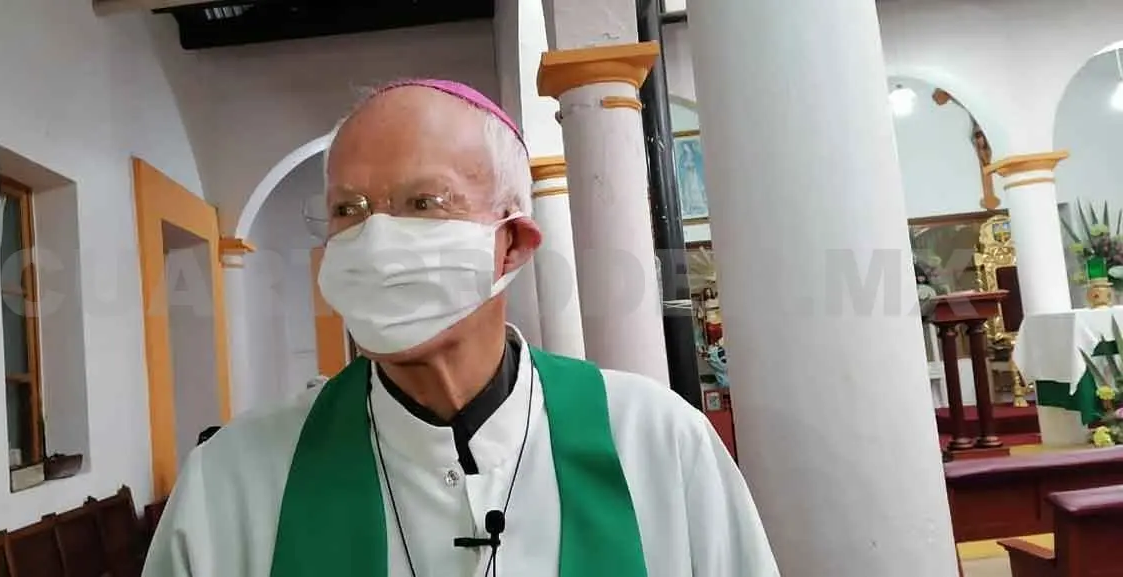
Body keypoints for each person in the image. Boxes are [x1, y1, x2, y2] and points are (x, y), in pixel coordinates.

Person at [142, 79, 778, 577]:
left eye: (424, 202)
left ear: (513, 245)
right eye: (347, 209)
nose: (376, 239)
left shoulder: (657, 444)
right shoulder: (233, 481)